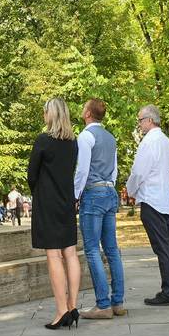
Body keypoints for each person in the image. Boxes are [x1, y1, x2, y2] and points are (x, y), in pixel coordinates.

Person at [27, 97, 81, 329]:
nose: (43, 114)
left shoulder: (43, 141)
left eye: (45, 111)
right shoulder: (73, 143)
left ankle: (60, 311)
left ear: (52, 114)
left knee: (53, 256)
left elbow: (32, 174)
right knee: (70, 253)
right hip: (67, 202)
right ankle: (72, 306)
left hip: (48, 203)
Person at [126, 105, 169, 306]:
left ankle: (168, 292)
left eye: (140, 120)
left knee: (162, 249)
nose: (139, 124)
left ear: (149, 120)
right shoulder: (167, 142)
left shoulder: (149, 142)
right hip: (165, 200)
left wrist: (130, 190)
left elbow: (139, 173)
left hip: (152, 200)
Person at [74, 98, 126, 319]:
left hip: (93, 193)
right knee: (112, 249)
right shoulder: (111, 137)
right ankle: (118, 302)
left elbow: (82, 170)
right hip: (109, 191)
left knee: (93, 249)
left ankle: (103, 304)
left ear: (87, 114)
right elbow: (114, 171)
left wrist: (74, 195)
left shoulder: (85, 137)